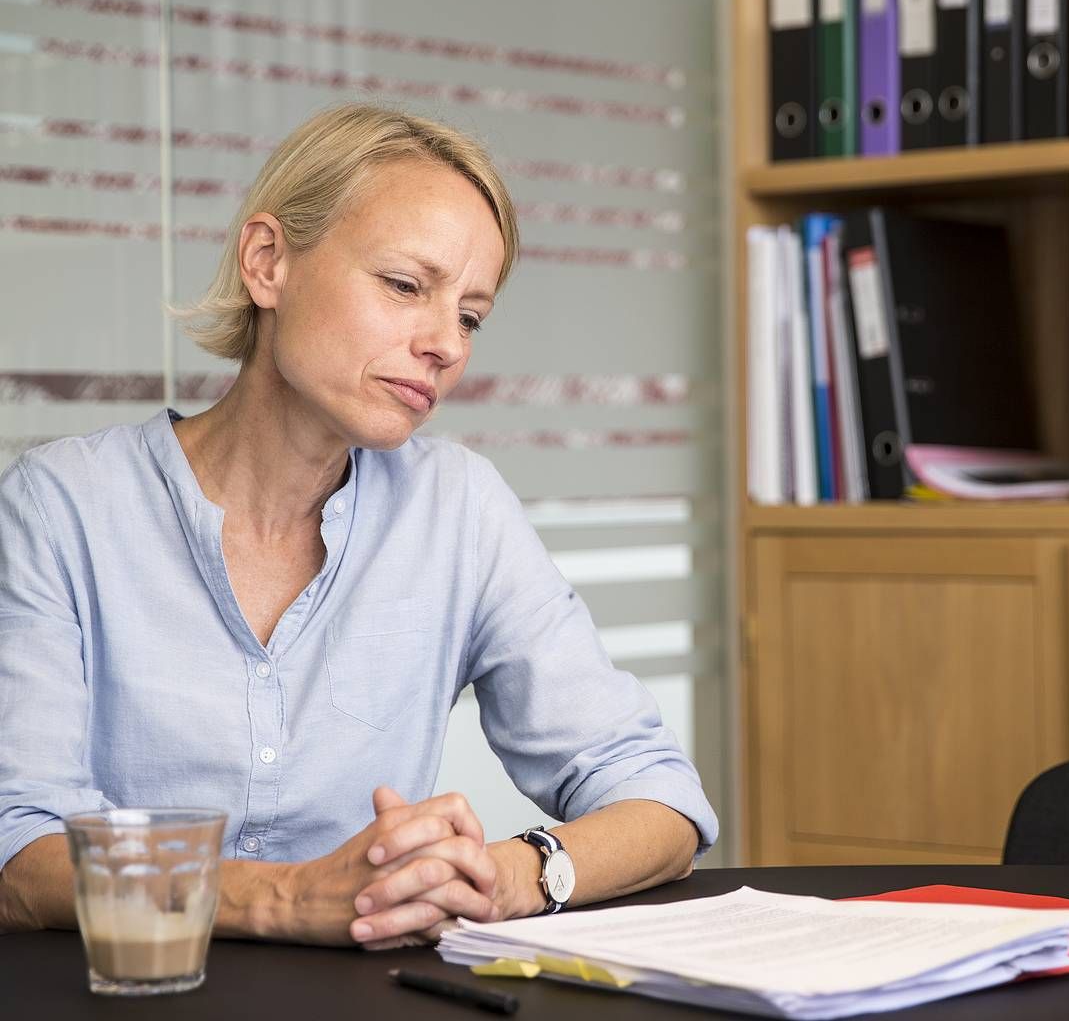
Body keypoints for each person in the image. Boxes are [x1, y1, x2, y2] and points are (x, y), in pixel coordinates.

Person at [0, 102, 718, 948]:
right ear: (269, 264)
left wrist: (509, 876)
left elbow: (661, 798)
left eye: (471, 315)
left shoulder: (459, 509)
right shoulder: (59, 506)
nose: (446, 343)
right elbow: (20, 859)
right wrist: (287, 899)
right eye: (406, 286)